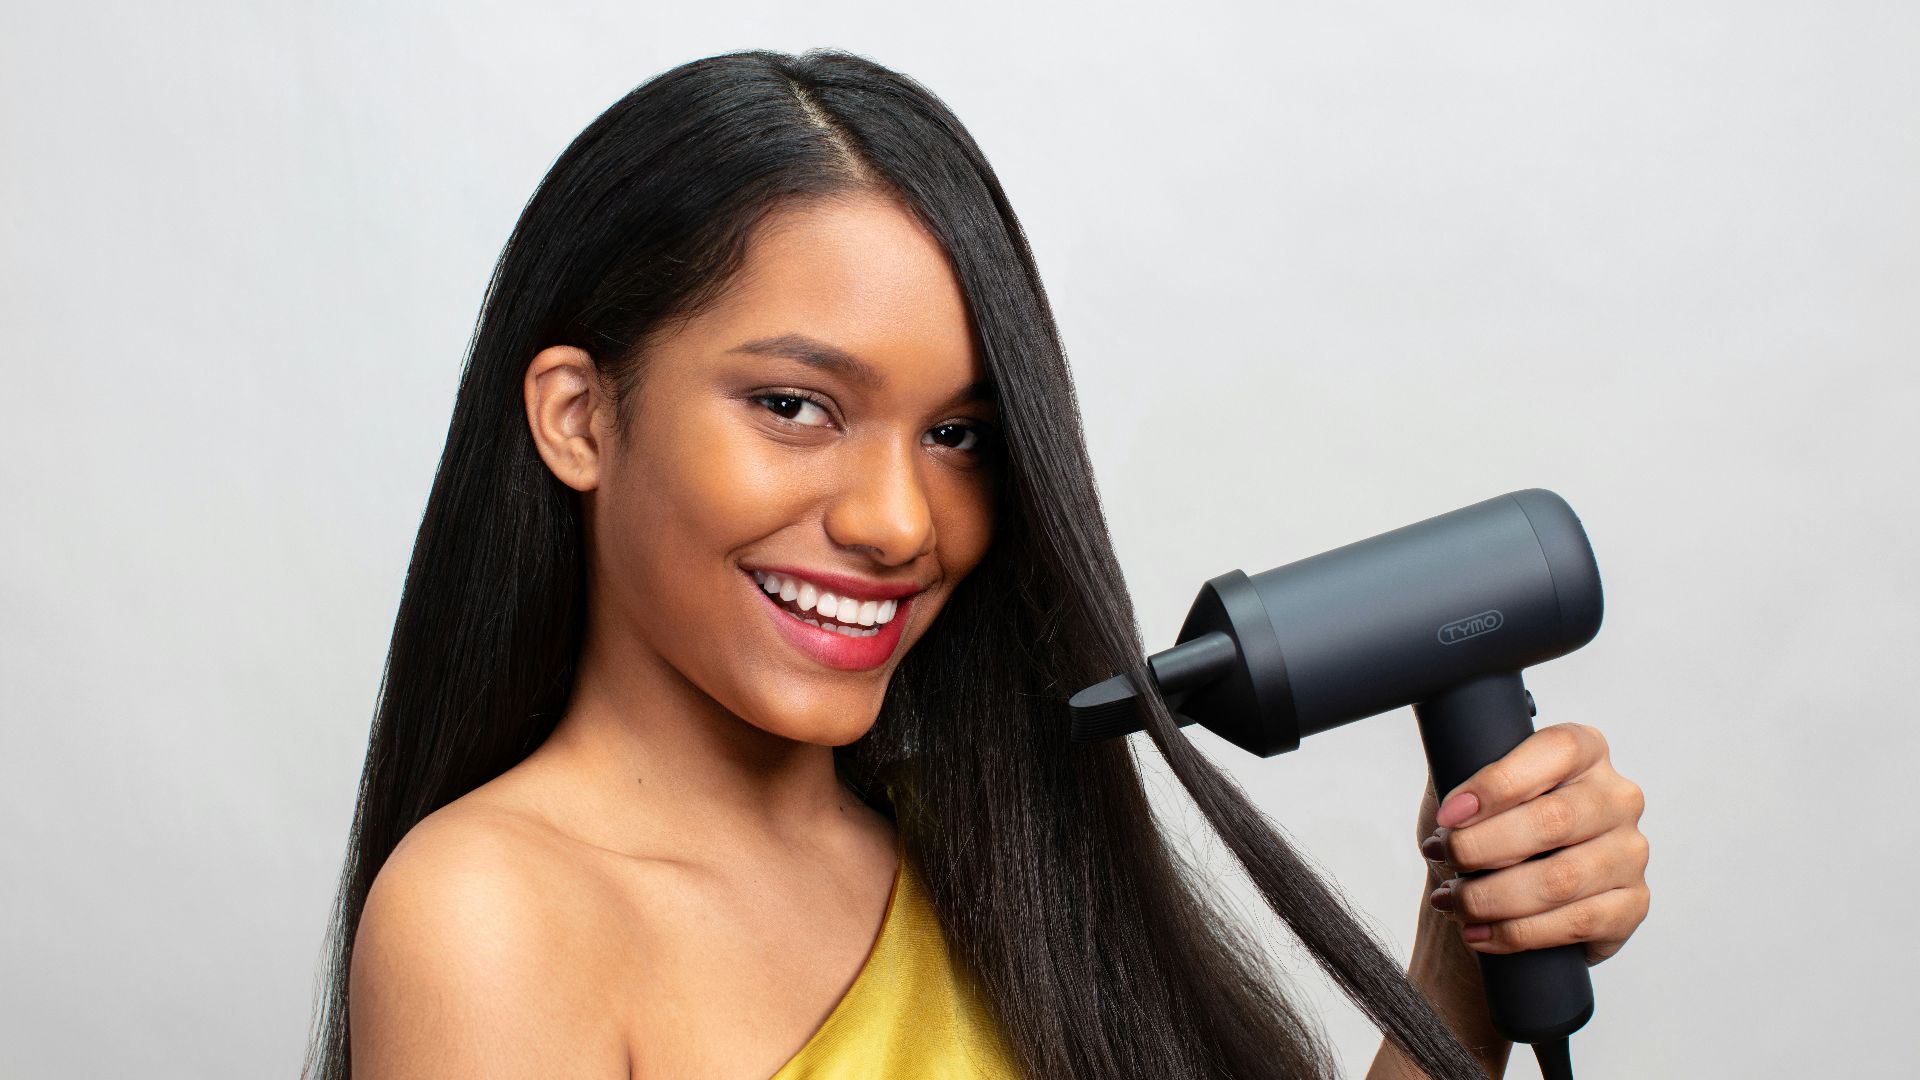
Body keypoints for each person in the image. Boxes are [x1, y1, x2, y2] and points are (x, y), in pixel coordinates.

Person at [301, 48, 1650, 1080]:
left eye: (958, 434)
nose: (899, 520)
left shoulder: (989, 848)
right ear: (580, 418)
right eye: (794, 405)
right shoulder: (489, 918)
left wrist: (1458, 968)